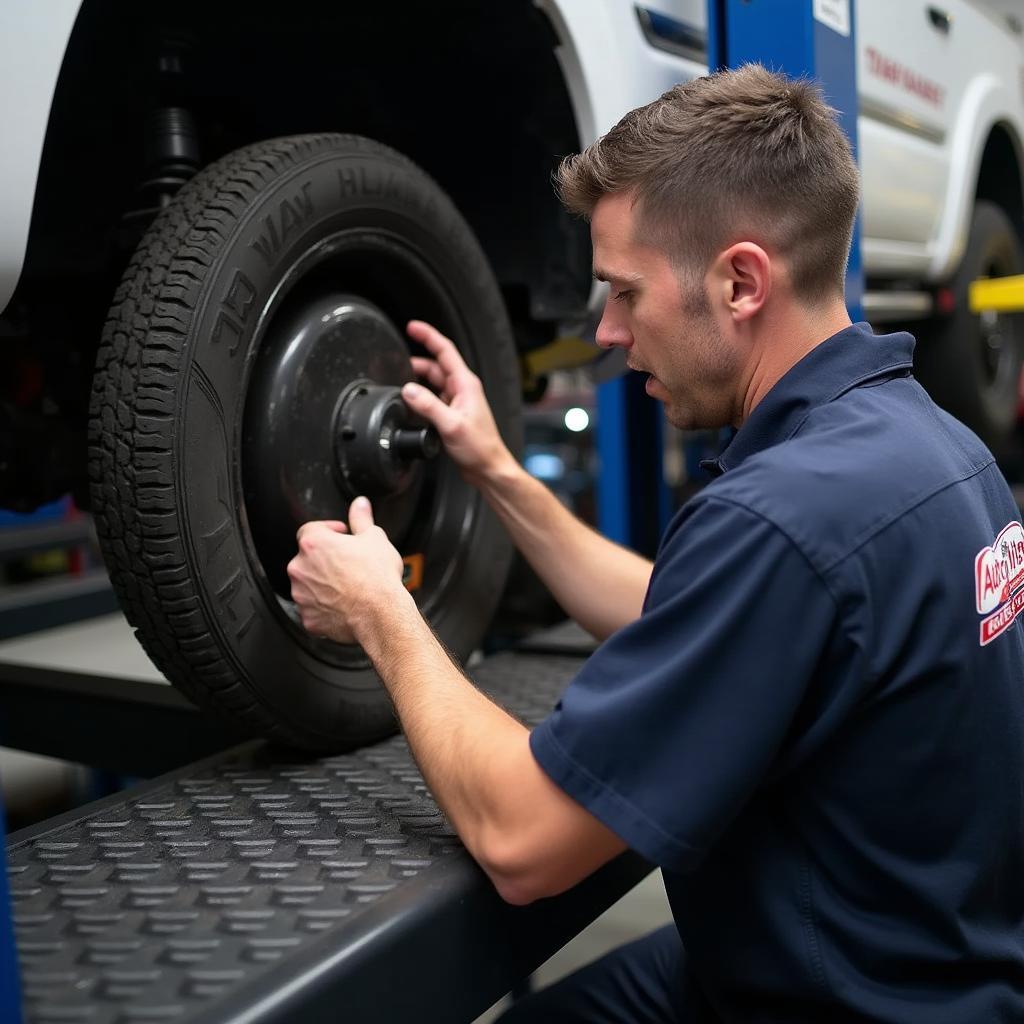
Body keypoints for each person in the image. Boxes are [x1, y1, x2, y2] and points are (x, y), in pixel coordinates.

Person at [287, 65, 1024, 1022]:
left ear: (741, 281)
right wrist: (496, 469)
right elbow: (683, 610)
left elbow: (521, 843)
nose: (608, 331)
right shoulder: (932, 447)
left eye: (626, 293)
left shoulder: (784, 516)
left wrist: (380, 611)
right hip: (913, 958)